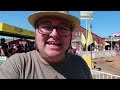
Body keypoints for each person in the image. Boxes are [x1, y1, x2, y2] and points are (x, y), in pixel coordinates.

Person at [0, 11, 93, 79]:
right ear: (35, 33)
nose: (54, 34)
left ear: (70, 36)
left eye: (63, 28)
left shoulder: (80, 64)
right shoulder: (17, 65)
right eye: (46, 26)